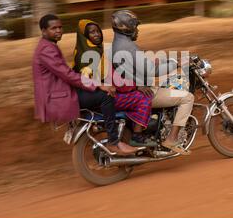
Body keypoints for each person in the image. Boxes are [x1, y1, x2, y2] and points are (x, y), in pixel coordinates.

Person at [32, 14, 139, 155]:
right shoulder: (47, 50)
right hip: (58, 98)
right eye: (53, 28)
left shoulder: (47, 46)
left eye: (60, 27)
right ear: (44, 31)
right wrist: (98, 85)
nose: (58, 31)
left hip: (60, 92)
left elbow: (65, 73)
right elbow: (67, 74)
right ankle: (114, 142)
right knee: (106, 96)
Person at [111, 10, 194, 155]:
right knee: (187, 97)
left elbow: (142, 63)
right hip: (144, 91)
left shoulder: (117, 44)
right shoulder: (129, 46)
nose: (137, 30)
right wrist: (176, 64)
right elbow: (151, 71)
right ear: (127, 27)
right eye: (135, 26)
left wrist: (167, 61)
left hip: (131, 89)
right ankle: (172, 139)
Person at [72, 19, 156, 147]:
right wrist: (136, 85)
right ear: (85, 36)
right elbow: (107, 79)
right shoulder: (93, 54)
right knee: (144, 97)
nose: (97, 35)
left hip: (88, 96)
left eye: (98, 31)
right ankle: (137, 136)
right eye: (92, 32)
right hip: (99, 97)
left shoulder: (89, 50)